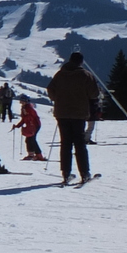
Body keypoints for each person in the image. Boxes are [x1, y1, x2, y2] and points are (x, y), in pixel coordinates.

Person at [47, 52, 99, 186]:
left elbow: (50, 90)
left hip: (61, 113)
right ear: (81, 62)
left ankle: (66, 173)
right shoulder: (85, 75)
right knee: (80, 144)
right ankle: (85, 173)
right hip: (79, 113)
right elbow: (94, 93)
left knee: (65, 143)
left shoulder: (60, 74)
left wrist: (58, 99)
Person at [15, 96, 45, 160]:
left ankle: (34, 155)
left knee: (31, 140)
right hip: (33, 125)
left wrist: (21, 124)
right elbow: (24, 119)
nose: (21, 102)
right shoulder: (25, 108)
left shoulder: (28, 108)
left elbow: (29, 117)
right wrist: (18, 125)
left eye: (22, 101)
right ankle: (36, 155)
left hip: (34, 125)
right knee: (31, 140)